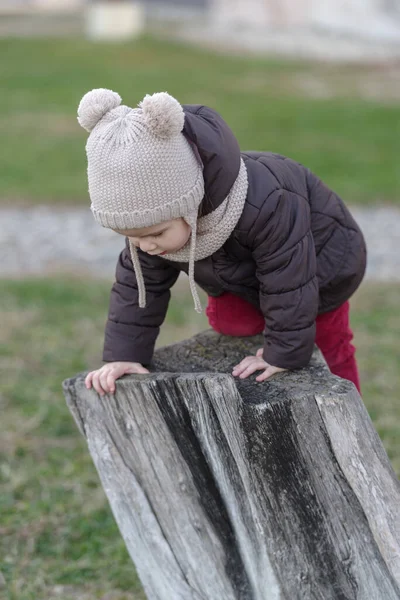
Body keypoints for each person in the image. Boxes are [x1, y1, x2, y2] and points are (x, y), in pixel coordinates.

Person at [78, 88, 366, 397]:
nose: (145, 245)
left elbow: (289, 279)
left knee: (325, 339)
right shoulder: (149, 227)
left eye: (155, 235)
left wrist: (282, 355)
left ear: (188, 206)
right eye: (131, 236)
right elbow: (137, 288)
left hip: (321, 265)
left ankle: (350, 405)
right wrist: (125, 354)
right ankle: (266, 319)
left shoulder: (268, 202)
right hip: (245, 268)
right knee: (233, 326)